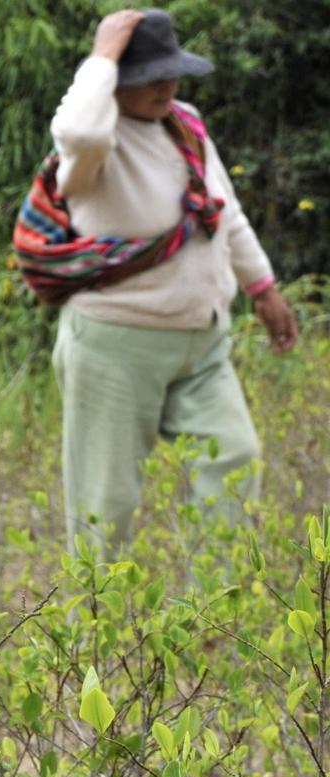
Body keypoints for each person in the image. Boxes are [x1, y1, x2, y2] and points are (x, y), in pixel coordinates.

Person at [36, 9, 298, 550]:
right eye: (148, 75)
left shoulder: (185, 125)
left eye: (170, 71)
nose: (165, 84)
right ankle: (95, 630)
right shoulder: (92, 149)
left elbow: (222, 212)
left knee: (234, 456)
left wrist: (263, 289)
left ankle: (214, 619)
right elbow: (77, 126)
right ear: (115, 81)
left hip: (202, 341)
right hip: (114, 345)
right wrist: (103, 55)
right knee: (104, 504)